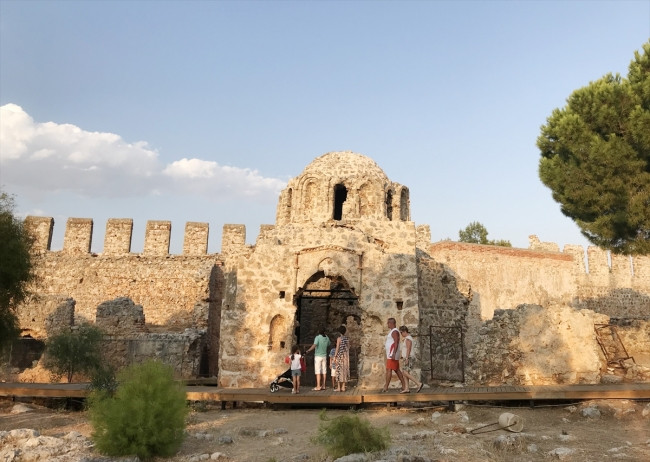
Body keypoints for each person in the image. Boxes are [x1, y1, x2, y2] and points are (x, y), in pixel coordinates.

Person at [382, 317, 408, 393]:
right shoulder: (393, 331)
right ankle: (404, 385)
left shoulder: (394, 331)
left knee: (389, 370)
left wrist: (393, 353)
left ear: (391, 323)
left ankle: (386, 387)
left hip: (392, 354)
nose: (387, 324)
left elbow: (396, 342)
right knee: (397, 370)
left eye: (388, 323)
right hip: (391, 353)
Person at [399, 325, 423, 393]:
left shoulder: (408, 339)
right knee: (405, 373)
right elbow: (406, 349)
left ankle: (418, 383)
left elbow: (408, 349)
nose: (401, 334)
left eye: (401, 332)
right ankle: (407, 388)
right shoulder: (408, 338)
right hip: (406, 357)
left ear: (404, 331)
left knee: (405, 372)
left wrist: (406, 358)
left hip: (408, 358)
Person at [334, 325, 350, 392]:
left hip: (340, 356)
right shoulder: (347, 338)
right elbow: (348, 346)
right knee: (344, 371)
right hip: (346, 356)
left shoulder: (339, 339)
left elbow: (337, 348)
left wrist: (335, 356)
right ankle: (343, 387)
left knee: (338, 371)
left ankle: (338, 387)